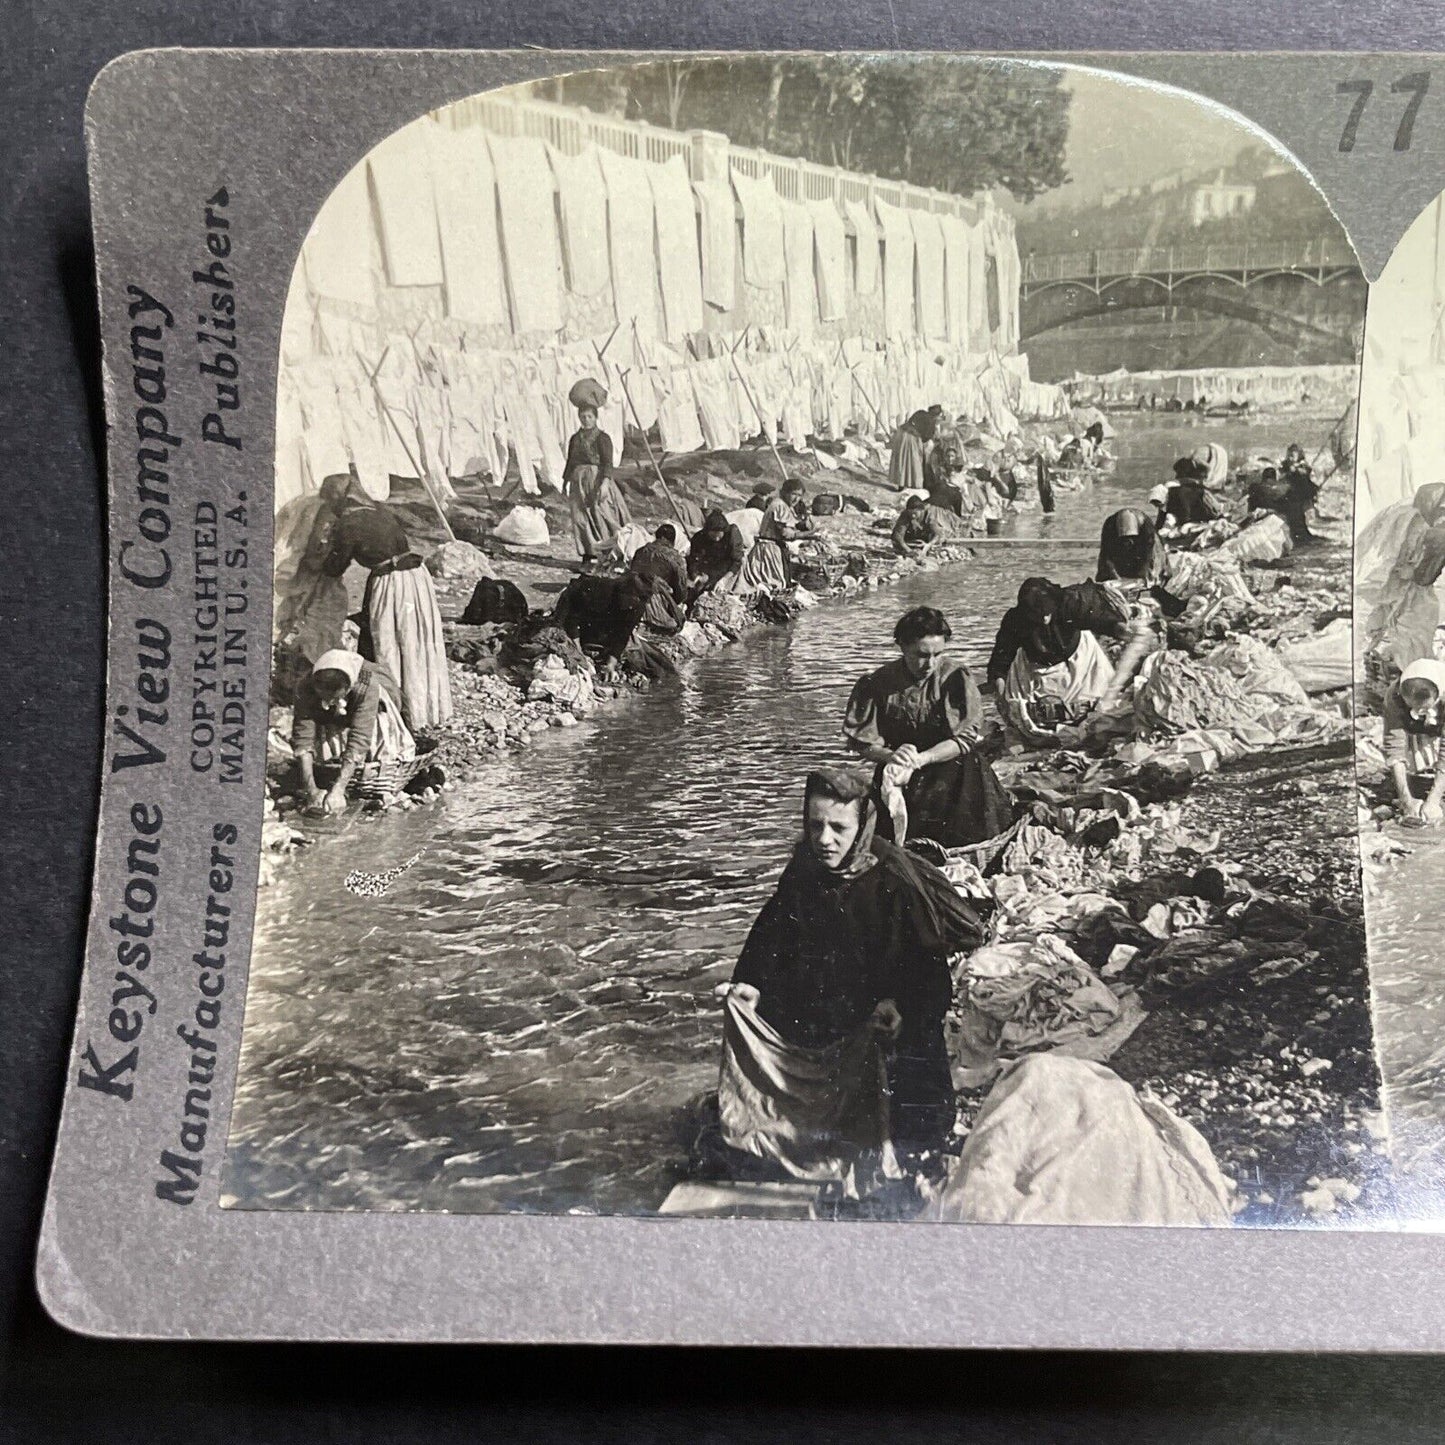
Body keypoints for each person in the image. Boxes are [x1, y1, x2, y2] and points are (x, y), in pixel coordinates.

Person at [725, 768, 985, 1158]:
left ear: (862, 826)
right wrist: (749, 982)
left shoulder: (893, 882)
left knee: (904, 1128)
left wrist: (899, 1006)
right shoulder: (804, 868)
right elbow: (770, 935)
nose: (824, 840)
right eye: (815, 825)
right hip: (827, 1015)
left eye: (838, 828)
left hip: (882, 1025)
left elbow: (928, 974)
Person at [844, 607, 1013, 850]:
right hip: (902, 771)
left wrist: (924, 758)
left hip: (954, 770)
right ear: (902, 646)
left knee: (966, 834)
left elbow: (965, 739)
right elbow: (860, 742)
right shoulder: (878, 682)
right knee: (889, 842)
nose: (930, 663)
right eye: (921, 655)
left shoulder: (954, 677)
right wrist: (890, 755)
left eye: (937, 654)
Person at [317, 474, 452, 733]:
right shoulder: (378, 510)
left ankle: (393, 709)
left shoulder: (349, 523)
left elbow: (334, 568)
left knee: (386, 643)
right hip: (415, 578)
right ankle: (423, 709)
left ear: (338, 500)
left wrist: (322, 548)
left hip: (391, 583)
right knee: (414, 643)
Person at [987, 578, 1126, 742]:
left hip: (1080, 661)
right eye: (1037, 616)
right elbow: (1000, 662)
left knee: (1095, 711)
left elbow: (1103, 621)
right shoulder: (1014, 620)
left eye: (1047, 614)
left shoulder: (1070, 602)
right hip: (1035, 668)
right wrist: (1002, 698)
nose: (1045, 620)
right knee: (1036, 720)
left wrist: (1122, 631)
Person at [289, 649, 416, 816]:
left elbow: (360, 737)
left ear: (347, 688)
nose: (330, 702)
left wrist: (339, 789)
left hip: (374, 707)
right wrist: (311, 790)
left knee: (375, 738)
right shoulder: (305, 686)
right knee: (325, 732)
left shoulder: (366, 684)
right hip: (330, 707)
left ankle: (372, 773)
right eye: (325, 697)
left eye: (335, 698)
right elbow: (303, 738)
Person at [1357, 483, 1445, 674]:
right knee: (1409, 633)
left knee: (1414, 632)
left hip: (1422, 594)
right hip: (1419, 593)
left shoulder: (1438, 535)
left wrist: (1411, 573)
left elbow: (1424, 577)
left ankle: (1412, 674)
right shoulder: (1429, 530)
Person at [563, 401, 630, 564]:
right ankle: (587, 556)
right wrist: (565, 481)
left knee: (603, 516)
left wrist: (605, 483)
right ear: (579, 417)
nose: (586, 420)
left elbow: (607, 462)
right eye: (583, 416)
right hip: (578, 483)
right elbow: (570, 461)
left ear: (595, 418)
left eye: (589, 417)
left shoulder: (602, 438)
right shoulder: (574, 439)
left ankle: (608, 555)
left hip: (597, 480)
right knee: (580, 519)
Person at [1383, 658, 1445, 824]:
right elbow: (1394, 745)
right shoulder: (1393, 695)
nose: (1417, 712)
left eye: (1424, 709)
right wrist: (1406, 800)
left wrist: (1433, 800)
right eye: (1413, 707)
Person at [553, 570, 653, 666]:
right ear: (625, 592)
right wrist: (578, 649)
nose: (632, 605)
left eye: (637, 601)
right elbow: (573, 618)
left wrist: (611, 663)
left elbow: (623, 634)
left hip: (601, 617)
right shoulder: (603, 592)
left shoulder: (637, 608)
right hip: (574, 602)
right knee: (562, 639)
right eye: (631, 597)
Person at [737, 477, 812, 593]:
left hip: (771, 547)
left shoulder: (783, 505)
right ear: (785, 493)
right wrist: (810, 534)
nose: (796, 498)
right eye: (793, 494)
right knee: (773, 583)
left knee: (773, 582)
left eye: (799, 495)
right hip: (769, 550)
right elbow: (785, 534)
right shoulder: (779, 506)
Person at [629, 523, 689, 633]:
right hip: (654, 604)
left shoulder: (641, 551)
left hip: (630, 598)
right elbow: (681, 592)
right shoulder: (675, 557)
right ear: (674, 540)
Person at [1096, 507, 1167, 585]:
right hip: (1119, 553)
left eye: (1131, 537)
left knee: (1156, 574)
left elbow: (1150, 554)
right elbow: (1106, 556)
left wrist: (1143, 575)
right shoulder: (1110, 526)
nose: (1128, 540)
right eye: (1125, 538)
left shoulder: (1146, 527)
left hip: (1142, 548)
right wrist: (1114, 578)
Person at [687, 509, 747, 595]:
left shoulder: (732, 534)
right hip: (709, 568)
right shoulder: (699, 537)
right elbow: (694, 560)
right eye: (713, 536)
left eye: (719, 536)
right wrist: (696, 575)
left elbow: (737, 561)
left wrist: (724, 579)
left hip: (728, 569)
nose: (716, 539)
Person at [887, 410, 936, 493]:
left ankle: (902, 485)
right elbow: (926, 436)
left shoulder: (922, 413)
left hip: (902, 432)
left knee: (903, 461)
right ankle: (914, 487)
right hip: (911, 438)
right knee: (913, 462)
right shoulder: (930, 421)